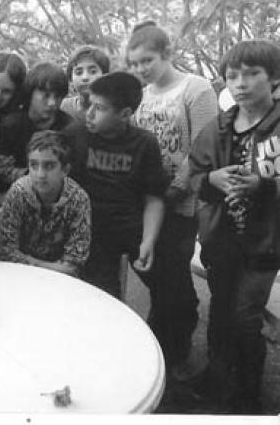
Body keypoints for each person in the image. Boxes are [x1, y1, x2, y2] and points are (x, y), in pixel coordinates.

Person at [188, 40, 280, 414]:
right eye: (232, 75)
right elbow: (193, 175)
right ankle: (216, 376)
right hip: (222, 241)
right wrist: (211, 179)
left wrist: (264, 186)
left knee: (245, 317)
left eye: (252, 74)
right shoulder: (219, 127)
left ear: (274, 78)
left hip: (266, 243)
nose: (240, 83)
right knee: (221, 311)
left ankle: (248, 392)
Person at [127, 21, 219, 379]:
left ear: (167, 53)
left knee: (172, 274)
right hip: (148, 202)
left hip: (181, 203)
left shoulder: (196, 88)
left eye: (147, 60)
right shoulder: (141, 95)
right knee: (155, 272)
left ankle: (174, 353)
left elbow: (204, 149)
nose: (140, 68)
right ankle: (166, 338)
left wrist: (175, 190)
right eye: (134, 63)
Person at [62, 72, 167, 298]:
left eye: (99, 108)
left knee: (174, 295)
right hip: (91, 230)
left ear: (125, 114)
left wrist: (148, 241)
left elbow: (154, 199)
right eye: (89, 104)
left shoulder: (145, 143)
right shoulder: (75, 134)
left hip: (131, 225)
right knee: (104, 296)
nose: (89, 113)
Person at [0, 131, 91, 276]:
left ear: (65, 170)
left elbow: (73, 265)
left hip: (60, 279)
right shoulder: (18, 193)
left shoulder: (79, 199)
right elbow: (6, 251)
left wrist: (32, 262)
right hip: (19, 275)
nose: (40, 174)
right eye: (34, 165)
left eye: (49, 166)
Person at [0, 62, 74, 186]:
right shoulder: (11, 125)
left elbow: (70, 172)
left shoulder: (69, 128)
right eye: (46, 96)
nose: (52, 103)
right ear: (30, 93)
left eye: (57, 97)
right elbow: (3, 169)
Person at [60, 45, 111, 122]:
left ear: (105, 76)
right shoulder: (64, 107)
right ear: (71, 79)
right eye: (79, 72)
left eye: (93, 72)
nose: (85, 77)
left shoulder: (113, 111)